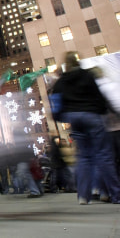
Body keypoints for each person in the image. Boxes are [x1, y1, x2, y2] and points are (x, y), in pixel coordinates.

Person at [52, 52, 120, 204]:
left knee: (83, 157)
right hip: (92, 116)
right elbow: (99, 97)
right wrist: (101, 111)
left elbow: (55, 103)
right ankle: (115, 194)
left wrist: (59, 117)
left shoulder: (61, 81)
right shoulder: (87, 76)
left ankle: (83, 196)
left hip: (74, 119)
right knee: (103, 155)